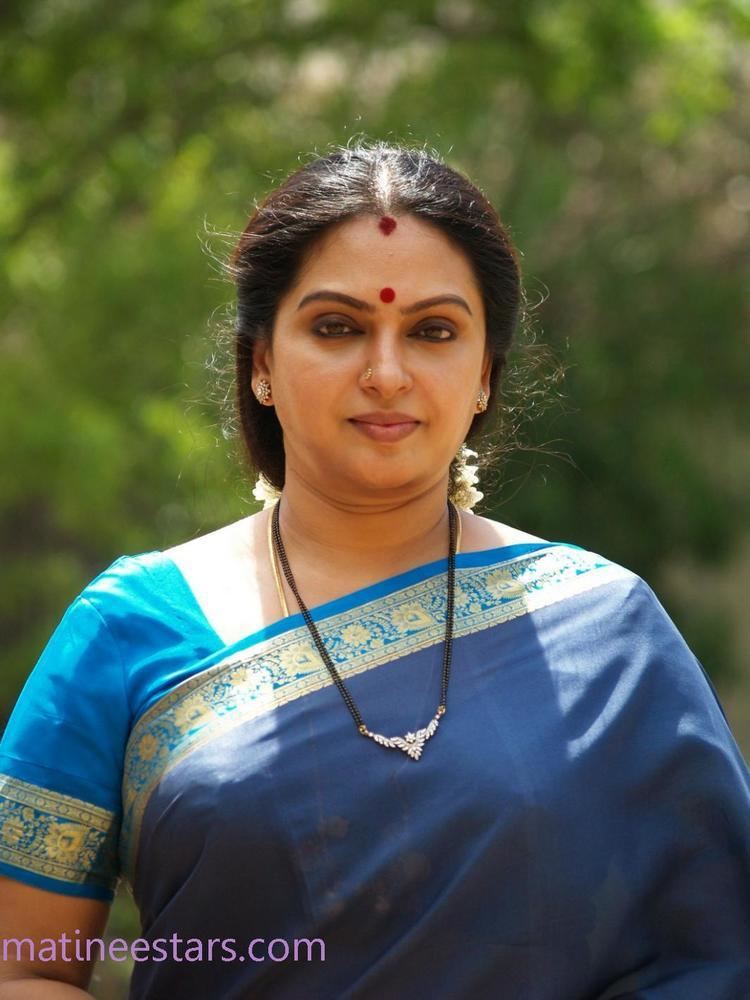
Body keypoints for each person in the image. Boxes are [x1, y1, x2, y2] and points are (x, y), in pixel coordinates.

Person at [0, 142, 748, 1000]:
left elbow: (713, 953)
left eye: (432, 331)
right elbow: (21, 968)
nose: (385, 373)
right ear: (263, 364)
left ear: (483, 376)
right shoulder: (133, 628)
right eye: (337, 327)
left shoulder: (607, 633)